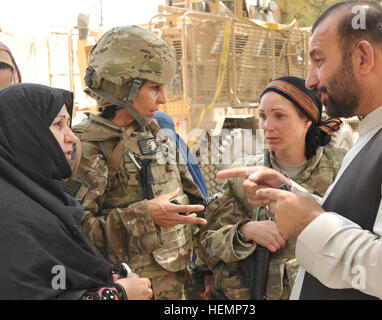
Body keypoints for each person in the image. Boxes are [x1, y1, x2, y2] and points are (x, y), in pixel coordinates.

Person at [218, 1, 382, 300]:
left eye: (319, 60)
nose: (311, 80)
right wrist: (292, 191)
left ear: (363, 57)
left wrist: (310, 223)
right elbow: (362, 219)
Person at [69, 25, 208, 300]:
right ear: (124, 88)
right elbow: (74, 235)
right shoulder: (88, 147)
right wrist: (146, 216)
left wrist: (206, 268)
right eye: (154, 88)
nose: (165, 98)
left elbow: (197, 207)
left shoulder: (156, 134)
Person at [0, 83, 153, 300]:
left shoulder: (44, 197)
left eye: (69, 125)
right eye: (58, 125)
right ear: (25, 133)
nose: (71, 136)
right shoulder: (10, 218)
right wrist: (118, 294)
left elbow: (58, 276)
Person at [198, 76, 346, 300]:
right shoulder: (244, 174)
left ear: (307, 120)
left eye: (279, 116)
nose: (268, 126)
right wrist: (245, 231)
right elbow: (206, 245)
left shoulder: (340, 168)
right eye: (263, 116)